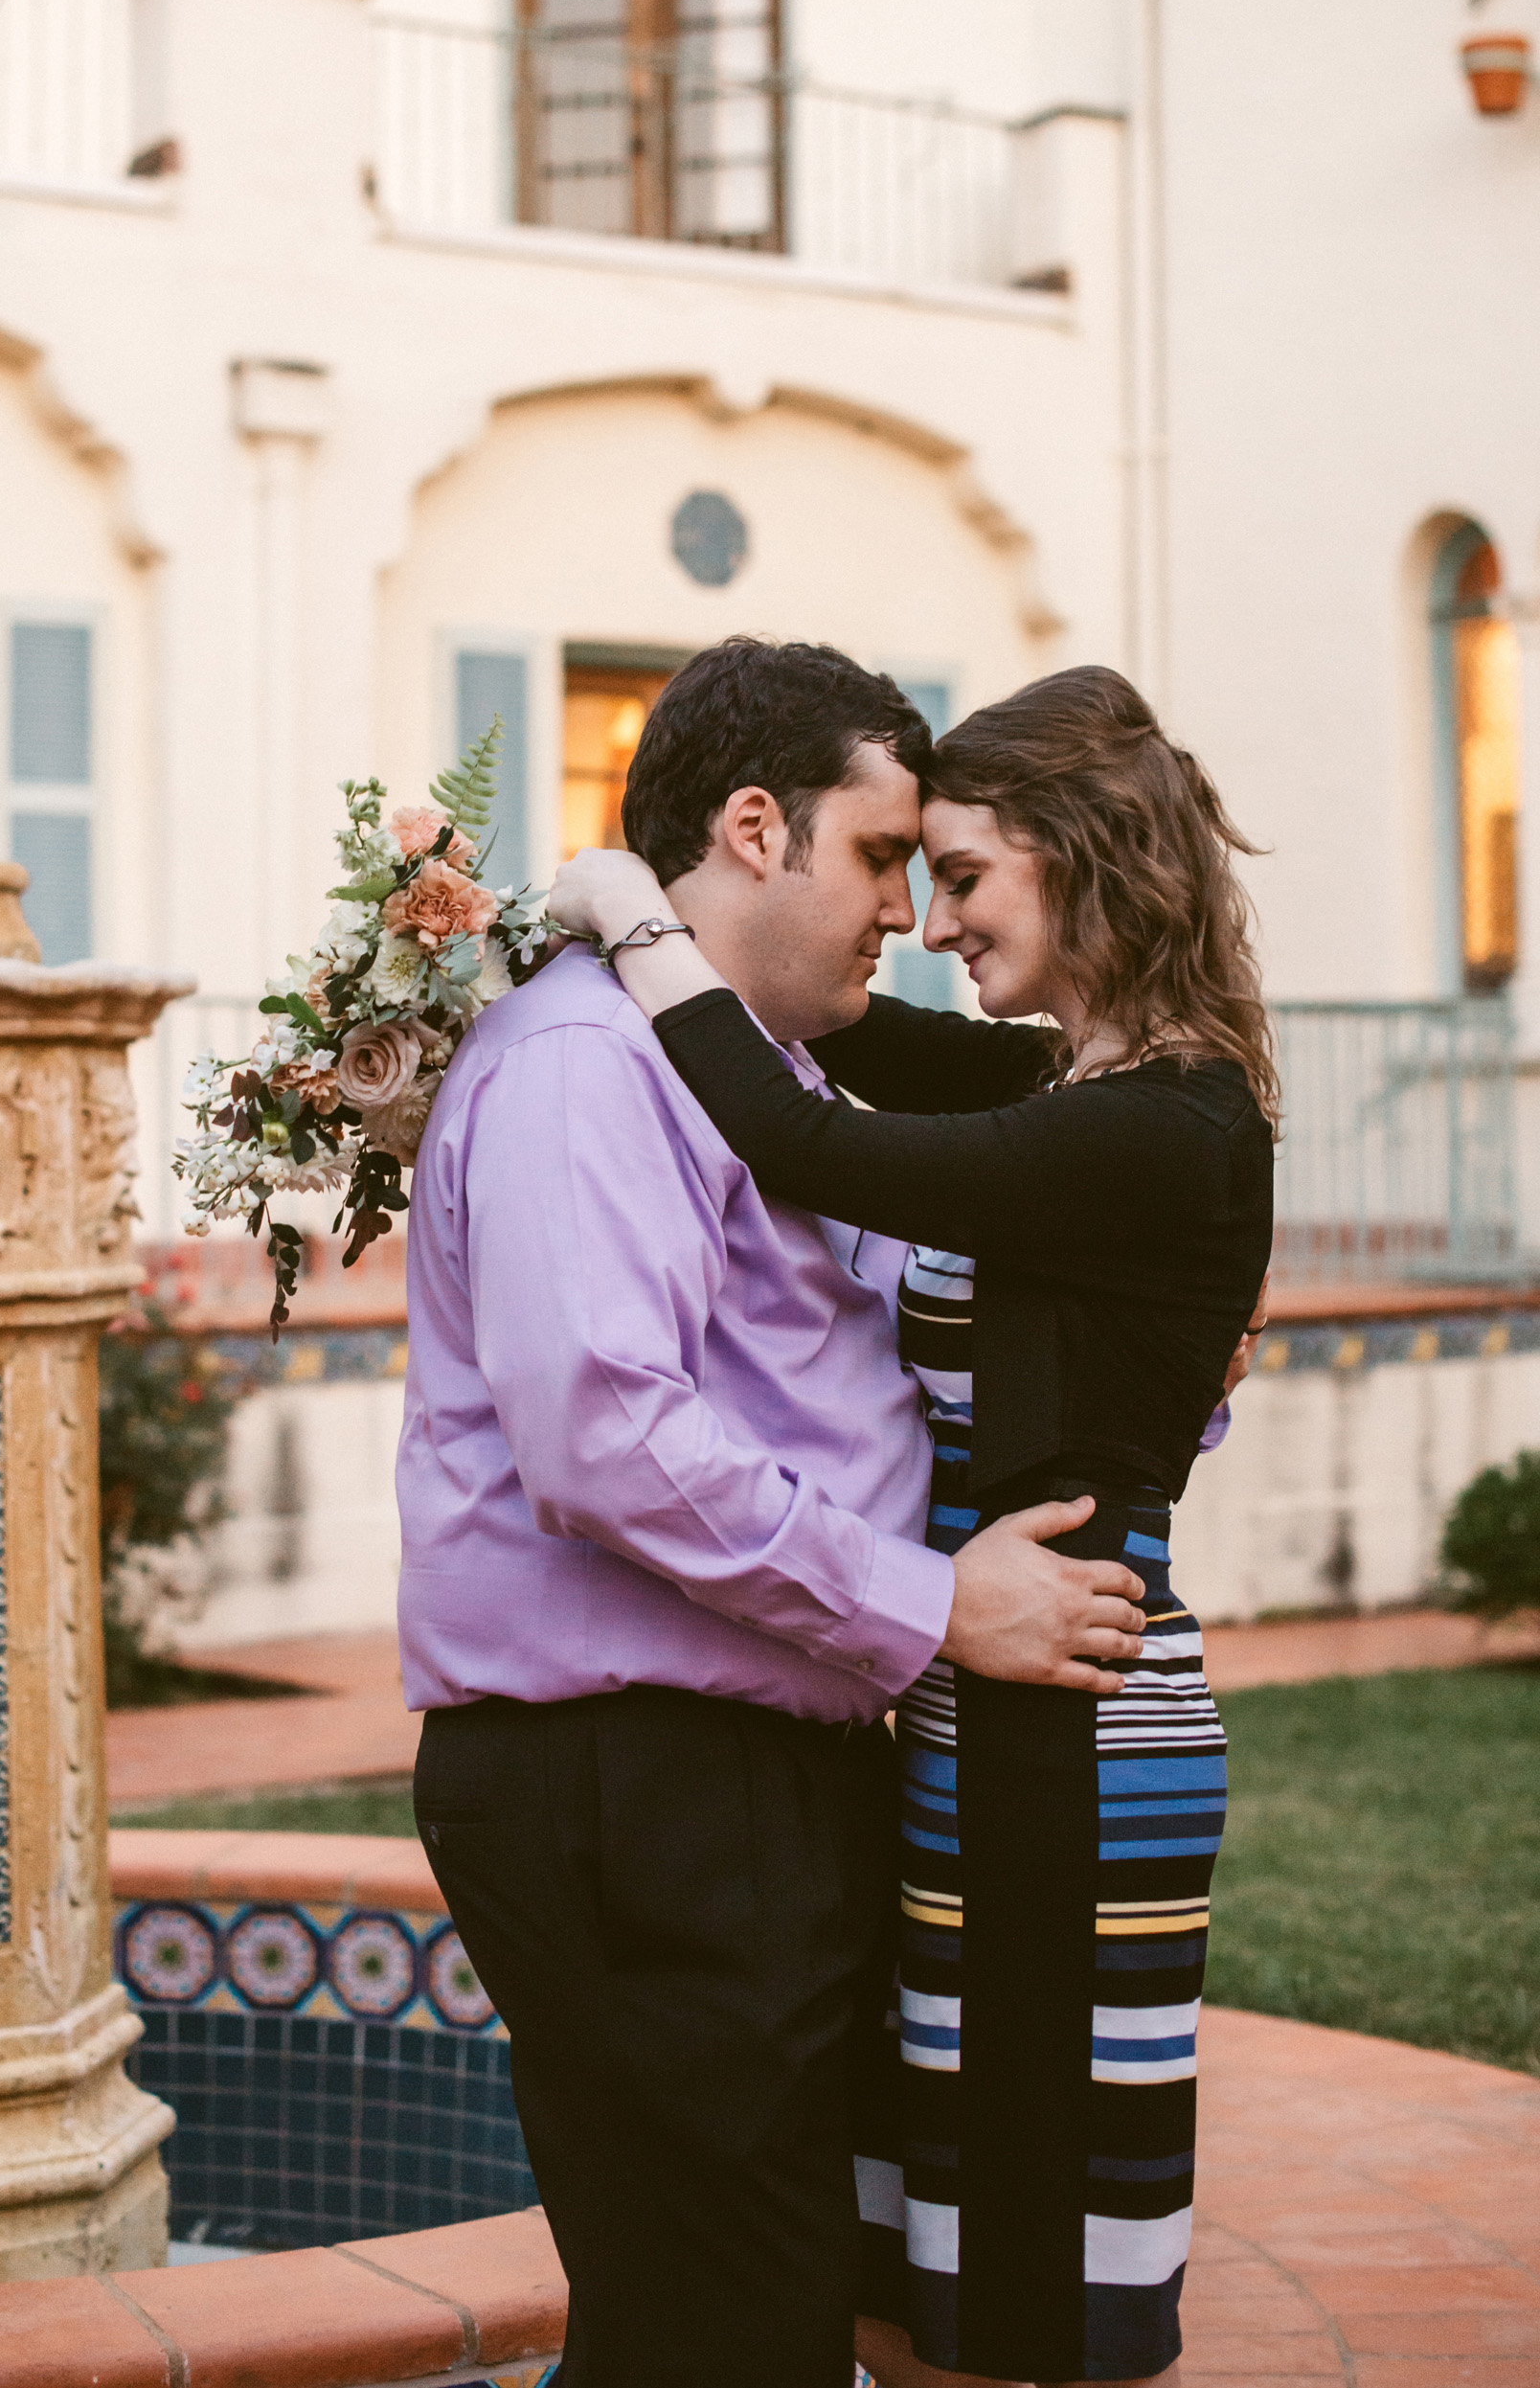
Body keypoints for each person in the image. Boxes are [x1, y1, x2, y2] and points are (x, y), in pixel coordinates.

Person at [396, 642, 1159, 2388]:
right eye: (884, 856)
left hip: (727, 1772)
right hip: (642, 1775)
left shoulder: (754, 1068)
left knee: (735, 2309)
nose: (904, 909)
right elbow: (607, 1434)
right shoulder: (590, 1066)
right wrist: (930, 1604)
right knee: (729, 2327)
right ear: (755, 828)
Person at [547, 660, 1278, 2388]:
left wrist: (617, 906)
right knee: (937, 2261)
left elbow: (798, 1133)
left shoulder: (1161, 1128)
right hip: (987, 1708)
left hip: (1072, 1732)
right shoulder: (1071, 1086)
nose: (930, 920)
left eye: (960, 875)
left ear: (1086, 857)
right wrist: (664, 916)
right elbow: (835, 1029)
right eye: (914, 874)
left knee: (1026, 2288)